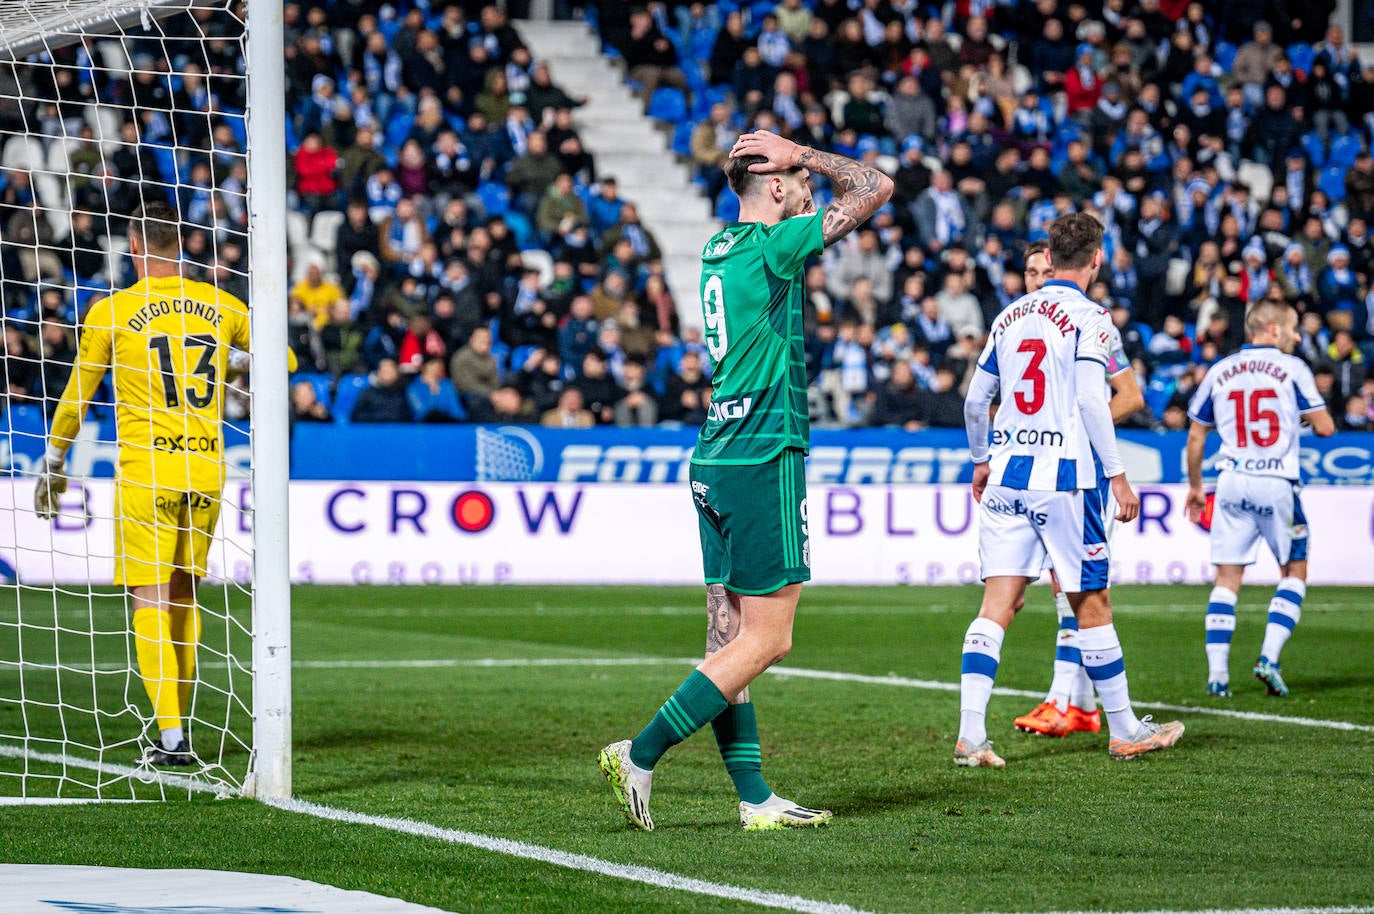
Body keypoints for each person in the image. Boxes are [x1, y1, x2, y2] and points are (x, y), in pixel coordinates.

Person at [599, 129, 892, 830]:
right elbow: (876, 186)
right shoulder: (773, 245)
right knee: (769, 639)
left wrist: (785, 162)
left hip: (715, 455)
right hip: (764, 452)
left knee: (727, 638)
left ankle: (754, 800)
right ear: (778, 186)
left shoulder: (717, 250)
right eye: (802, 185)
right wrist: (803, 150)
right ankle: (638, 753)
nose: (812, 195)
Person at [33, 202, 256, 767]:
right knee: (185, 594)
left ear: (135, 246)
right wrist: (227, 371)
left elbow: (78, 395)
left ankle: (172, 737)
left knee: (150, 597)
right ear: (180, 247)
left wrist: (54, 458)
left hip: (147, 472)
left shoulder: (112, 310)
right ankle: (182, 732)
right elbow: (284, 359)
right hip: (207, 469)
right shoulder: (223, 306)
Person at [958, 213, 1182, 767]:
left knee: (996, 606)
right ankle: (1126, 729)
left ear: (1051, 258)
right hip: (1064, 481)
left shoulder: (1010, 315)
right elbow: (1089, 400)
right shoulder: (1091, 317)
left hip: (1007, 475)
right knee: (1091, 603)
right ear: (1098, 258)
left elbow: (972, 401)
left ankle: (970, 737)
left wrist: (982, 462)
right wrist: (1118, 474)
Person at [1012, 240, 1149, 739]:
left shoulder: (1090, 323)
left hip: (1081, 473)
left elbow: (1130, 396)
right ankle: (1084, 706)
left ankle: (1060, 700)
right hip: (1040, 469)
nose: (1035, 280)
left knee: (1073, 590)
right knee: (1062, 589)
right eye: (1028, 272)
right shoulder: (1017, 324)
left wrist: (1072, 424)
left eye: (1041, 270)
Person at [1184, 302, 1335, 699]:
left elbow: (1196, 435)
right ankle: (1268, 657)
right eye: (1292, 329)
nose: (1298, 337)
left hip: (1231, 481)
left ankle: (1218, 677)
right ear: (1272, 329)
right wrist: (1294, 416)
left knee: (1227, 578)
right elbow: (1326, 427)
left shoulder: (1219, 369)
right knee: (1294, 569)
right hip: (1276, 481)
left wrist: (1196, 487)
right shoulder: (1293, 367)